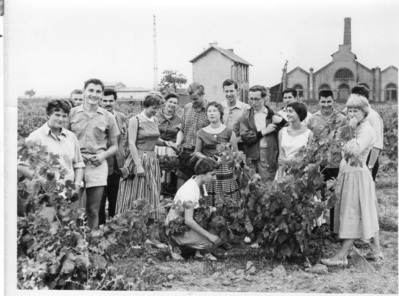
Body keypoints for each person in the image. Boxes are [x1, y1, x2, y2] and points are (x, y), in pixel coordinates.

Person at [321, 94, 382, 267]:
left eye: (356, 110)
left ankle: (341, 256)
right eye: (350, 110)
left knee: (353, 212)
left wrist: (349, 130)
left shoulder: (367, 130)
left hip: (357, 175)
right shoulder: (353, 128)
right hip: (348, 172)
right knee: (364, 209)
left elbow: (353, 150)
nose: (352, 113)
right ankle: (376, 251)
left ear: (364, 112)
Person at [116, 93, 171, 247]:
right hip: (139, 159)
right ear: (146, 106)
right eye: (154, 108)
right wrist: (138, 164)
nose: (156, 111)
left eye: (158, 108)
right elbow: (132, 143)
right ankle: (134, 236)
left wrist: (166, 143)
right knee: (136, 196)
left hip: (153, 161)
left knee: (152, 197)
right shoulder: (135, 120)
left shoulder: (154, 119)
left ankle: (151, 236)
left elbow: (153, 138)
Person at [69, 79, 120, 229]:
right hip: (75, 166)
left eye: (98, 91)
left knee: (93, 210)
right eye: (91, 90)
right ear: (84, 91)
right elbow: (63, 141)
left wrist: (103, 155)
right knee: (73, 210)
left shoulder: (108, 117)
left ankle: (92, 244)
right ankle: (74, 244)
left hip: (97, 165)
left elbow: (115, 146)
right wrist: (75, 156)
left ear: (102, 94)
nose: (94, 94)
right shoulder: (72, 114)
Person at [18, 99, 84, 210]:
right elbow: (22, 165)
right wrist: (45, 184)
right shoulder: (35, 137)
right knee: (50, 224)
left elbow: (79, 164)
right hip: (45, 194)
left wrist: (76, 186)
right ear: (48, 115)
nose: (60, 119)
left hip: (69, 192)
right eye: (57, 115)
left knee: (69, 224)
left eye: (64, 116)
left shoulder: (71, 137)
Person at [165, 158, 222, 261]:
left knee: (218, 226)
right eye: (212, 174)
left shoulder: (200, 184)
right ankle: (174, 243)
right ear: (202, 173)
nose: (215, 178)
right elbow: (188, 220)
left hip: (186, 220)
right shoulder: (189, 191)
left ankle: (199, 252)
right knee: (211, 240)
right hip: (177, 224)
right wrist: (209, 235)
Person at [308, 90, 346, 231]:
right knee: (319, 194)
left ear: (333, 101)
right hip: (319, 163)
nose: (326, 104)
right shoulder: (313, 119)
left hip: (335, 162)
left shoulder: (341, 118)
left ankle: (334, 228)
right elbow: (310, 141)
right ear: (319, 102)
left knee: (334, 195)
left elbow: (345, 139)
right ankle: (320, 225)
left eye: (329, 101)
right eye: (323, 102)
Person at [239, 85, 287, 182]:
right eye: (251, 99)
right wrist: (264, 132)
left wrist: (282, 121)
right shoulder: (245, 117)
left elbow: (290, 131)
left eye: (257, 99)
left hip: (268, 154)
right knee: (251, 186)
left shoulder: (273, 115)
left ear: (264, 99)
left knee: (267, 185)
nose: (253, 102)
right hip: (251, 155)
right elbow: (245, 137)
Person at [98, 89, 128, 225]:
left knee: (115, 196)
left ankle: (114, 226)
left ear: (115, 101)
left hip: (118, 161)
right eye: (105, 101)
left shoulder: (121, 117)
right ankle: (101, 228)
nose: (108, 103)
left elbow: (124, 139)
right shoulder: (96, 117)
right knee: (100, 197)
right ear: (100, 101)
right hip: (102, 162)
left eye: (111, 100)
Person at [174, 82, 209, 190]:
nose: (192, 102)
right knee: (182, 186)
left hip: (203, 154)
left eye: (195, 99)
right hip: (186, 152)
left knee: (202, 188)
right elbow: (182, 129)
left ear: (203, 95)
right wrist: (178, 143)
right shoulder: (187, 107)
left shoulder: (211, 110)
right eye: (191, 99)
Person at [350, 85, 384, 181]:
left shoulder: (373, 116)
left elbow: (377, 144)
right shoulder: (355, 114)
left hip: (368, 159)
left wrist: (370, 167)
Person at [275, 102, 313, 182]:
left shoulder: (309, 134)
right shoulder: (282, 132)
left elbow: (308, 160)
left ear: (299, 113)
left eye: (290, 111)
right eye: (286, 111)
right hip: (284, 173)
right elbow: (281, 158)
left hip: (301, 174)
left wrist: (288, 161)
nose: (287, 114)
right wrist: (279, 179)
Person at [155, 92, 182, 191]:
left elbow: (180, 132)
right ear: (165, 102)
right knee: (157, 174)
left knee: (171, 174)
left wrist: (176, 144)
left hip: (172, 149)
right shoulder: (156, 116)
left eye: (175, 103)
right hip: (157, 148)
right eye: (170, 102)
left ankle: (170, 194)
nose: (172, 104)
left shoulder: (179, 119)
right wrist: (162, 142)